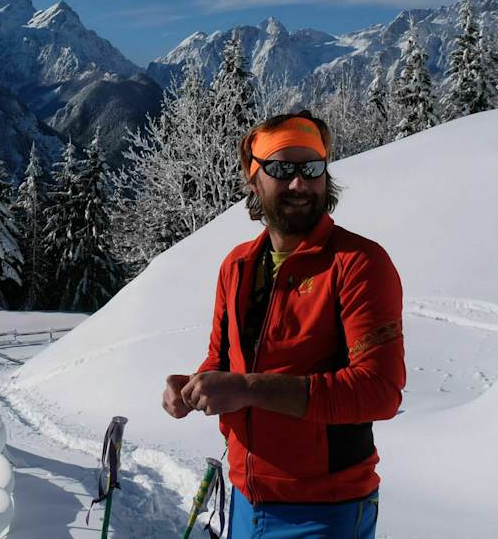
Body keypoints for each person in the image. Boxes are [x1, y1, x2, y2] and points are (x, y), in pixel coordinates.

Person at [162, 111, 405, 538]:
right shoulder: (237, 266)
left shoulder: (358, 265)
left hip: (325, 512)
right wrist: (194, 385)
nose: (299, 183)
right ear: (253, 179)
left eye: (311, 168)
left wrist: (246, 388)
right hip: (245, 500)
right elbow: (222, 358)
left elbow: (379, 391)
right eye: (281, 169)